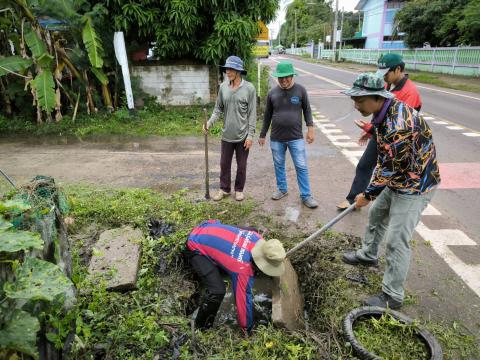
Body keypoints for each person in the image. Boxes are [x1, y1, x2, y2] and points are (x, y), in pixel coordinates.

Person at [341, 72, 440, 309]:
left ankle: (393, 294)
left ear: (377, 98)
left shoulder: (398, 125)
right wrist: (370, 128)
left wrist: (367, 194)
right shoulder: (384, 111)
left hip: (416, 185)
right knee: (377, 215)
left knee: (397, 239)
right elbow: (388, 159)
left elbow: (387, 167)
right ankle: (368, 254)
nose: (356, 105)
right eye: (353, 99)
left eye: (360, 100)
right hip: (399, 177)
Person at [336, 53, 422, 211]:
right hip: (382, 134)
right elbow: (380, 112)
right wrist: (370, 131)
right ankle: (354, 199)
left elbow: (399, 132)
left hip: (398, 143)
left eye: (386, 73)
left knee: (388, 172)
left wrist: (370, 130)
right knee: (364, 166)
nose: (384, 77)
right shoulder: (387, 85)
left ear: (398, 69)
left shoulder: (410, 93)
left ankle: (370, 199)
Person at [185, 220, 286, 333]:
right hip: (194, 245)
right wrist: (246, 329)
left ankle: (219, 259)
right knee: (217, 290)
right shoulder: (242, 270)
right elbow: (243, 301)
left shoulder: (256, 236)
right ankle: (201, 327)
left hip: (207, 226)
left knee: (251, 229)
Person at [259, 61, 318, 208]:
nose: (284, 80)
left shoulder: (301, 90)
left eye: (287, 77)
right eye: (281, 78)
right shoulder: (272, 93)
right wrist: (262, 134)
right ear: (277, 77)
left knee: (301, 166)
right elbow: (267, 115)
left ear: (292, 76)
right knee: (279, 165)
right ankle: (282, 189)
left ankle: (306, 195)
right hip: (276, 138)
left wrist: (310, 128)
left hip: (296, 137)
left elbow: (307, 110)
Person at [204, 56, 257, 202]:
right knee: (224, 164)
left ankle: (239, 190)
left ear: (239, 71)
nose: (228, 71)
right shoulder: (223, 87)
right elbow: (217, 110)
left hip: (243, 135)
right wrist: (209, 123)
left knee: (241, 165)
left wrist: (250, 135)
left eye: (231, 69)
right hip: (227, 134)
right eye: (227, 69)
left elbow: (252, 114)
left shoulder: (249, 89)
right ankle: (224, 189)